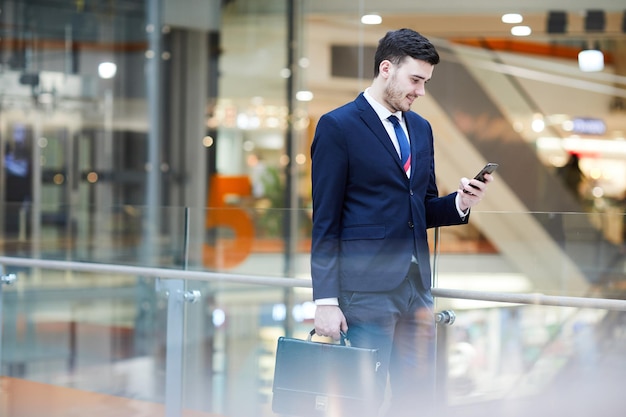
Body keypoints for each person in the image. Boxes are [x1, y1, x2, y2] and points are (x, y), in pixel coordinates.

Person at [310, 28, 493, 417]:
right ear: (386, 69)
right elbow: (324, 221)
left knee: (418, 399)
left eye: (425, 82)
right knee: (362, 400)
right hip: (365, 293)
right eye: (415, 80)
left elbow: (421, 208)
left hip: (417, 290)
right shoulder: (337, 126)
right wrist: (324, 301)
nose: (421, 92)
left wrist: (460, 202)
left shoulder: (421, 129)